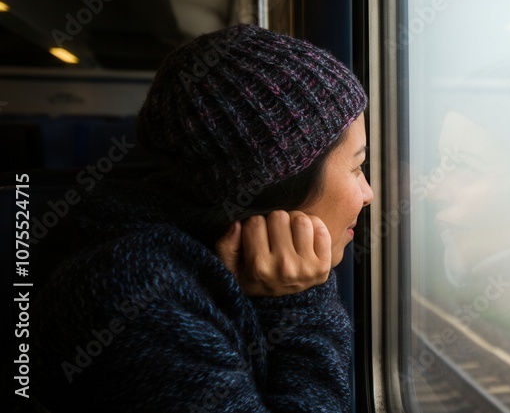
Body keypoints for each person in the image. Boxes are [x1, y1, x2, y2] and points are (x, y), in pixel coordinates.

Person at [33, 24, 373, 412]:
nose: (368, 195)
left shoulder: (190, 259)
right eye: (356, 166)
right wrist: (302, 306)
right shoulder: (135, 296)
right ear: (277, 186)